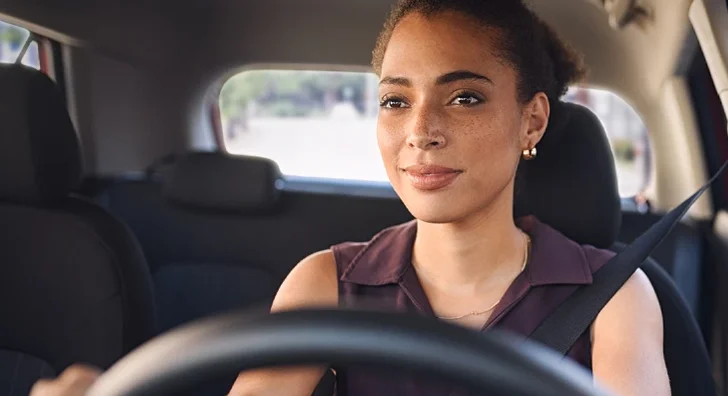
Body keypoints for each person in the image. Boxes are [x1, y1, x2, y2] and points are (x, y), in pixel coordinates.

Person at [31, 0, 670, 395]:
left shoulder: (612, 296)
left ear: (532, 121)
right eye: (396, 100)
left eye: (465, 96)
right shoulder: (327, 280)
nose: (420, 130)